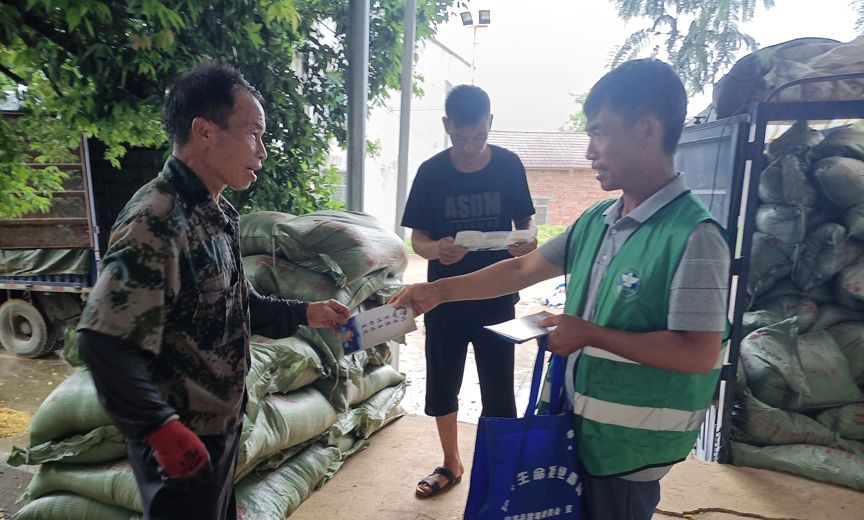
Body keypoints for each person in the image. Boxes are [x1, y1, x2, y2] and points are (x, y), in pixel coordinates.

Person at [391, 59, 730, 520]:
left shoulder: (695, 236)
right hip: (574, 431)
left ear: (646, 131)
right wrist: (438, 292)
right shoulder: (596, 222)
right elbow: (520, 269)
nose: (589, 151)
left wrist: (590, 334)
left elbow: (699, 353)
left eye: (599, 133)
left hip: (627, 453)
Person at [76, 62, 350, 520]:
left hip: (218, 427)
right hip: (182, 444)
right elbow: (102, 339)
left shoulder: (216, 214)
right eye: (253, 133)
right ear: (203, 131)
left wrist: (306, 313)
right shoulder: (158, 218)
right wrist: (161, 430)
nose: (262, 150)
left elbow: (237, 304)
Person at [400, 84, 537, 498]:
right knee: (443, 384)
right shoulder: (431, 172)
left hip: (498, 297)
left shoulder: (509, 165)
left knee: (499, 389)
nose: (470, 147)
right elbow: (418, 240)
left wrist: (527, 240)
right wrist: (436, 249)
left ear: (490, 123)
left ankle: (499, 470)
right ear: (446, 126)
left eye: (478, 136)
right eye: (460, 138)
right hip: (444, 299)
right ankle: (451, 462)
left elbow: (528, 225)